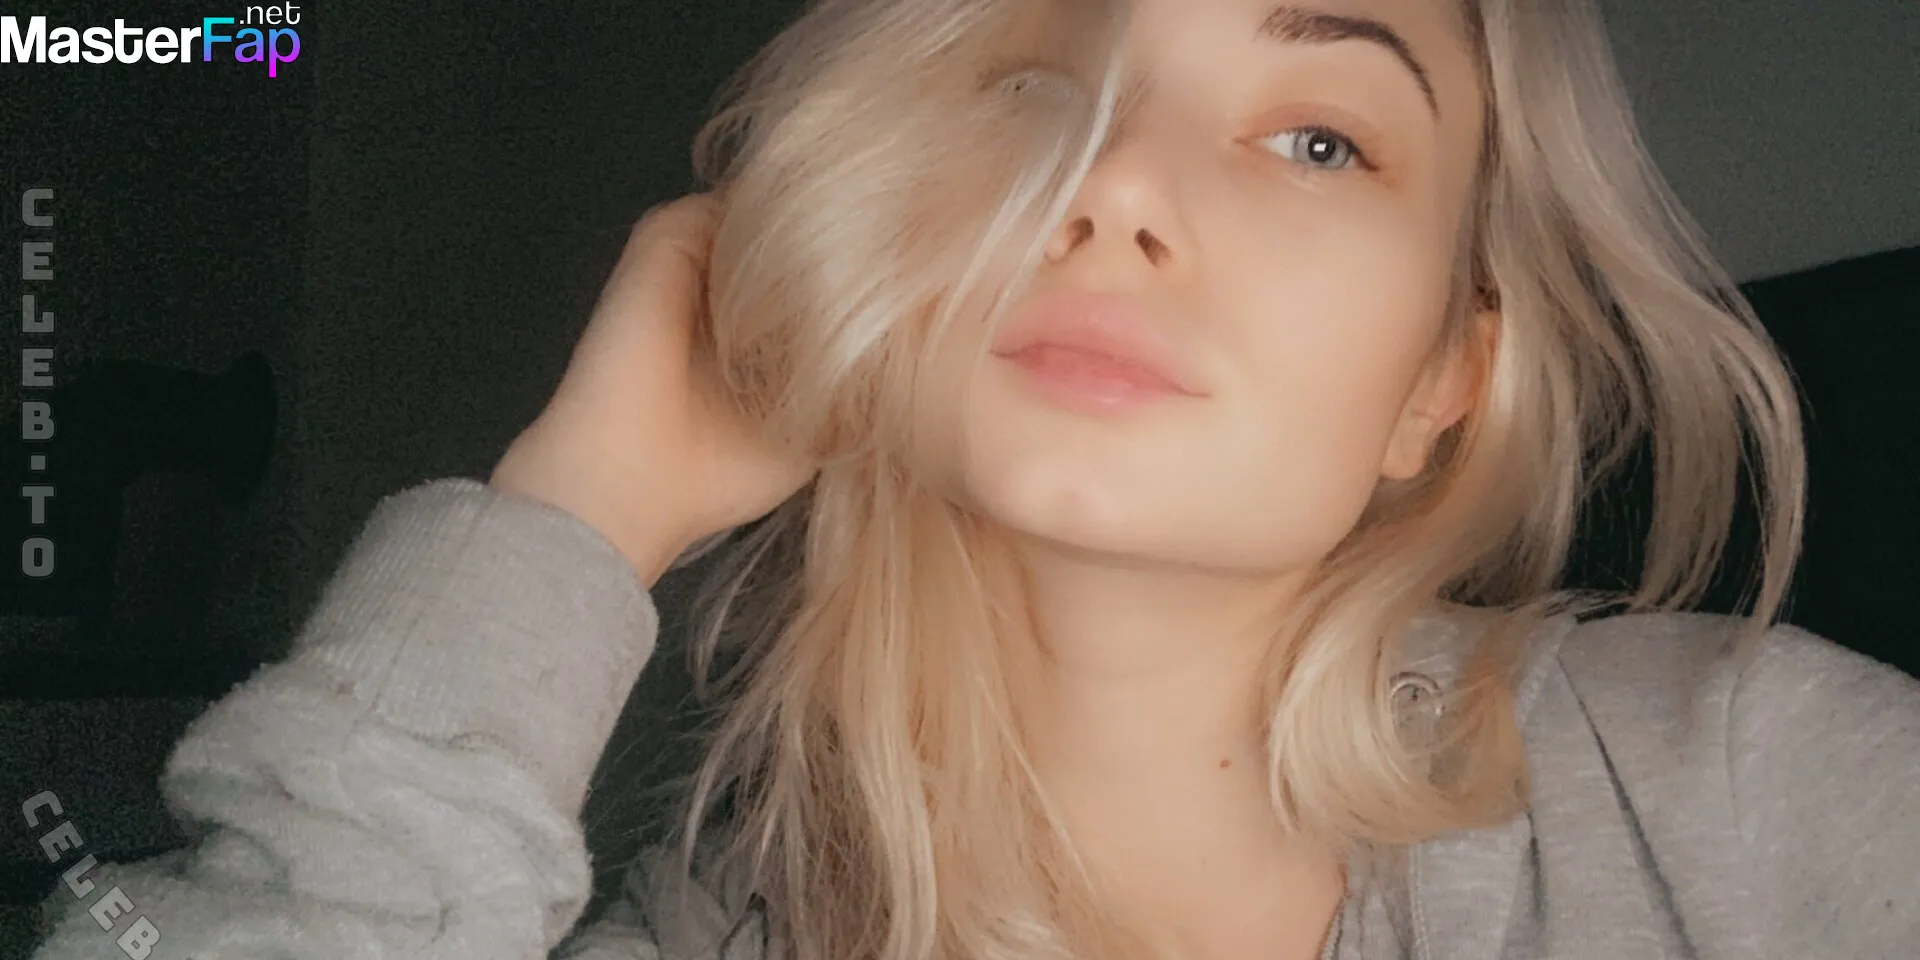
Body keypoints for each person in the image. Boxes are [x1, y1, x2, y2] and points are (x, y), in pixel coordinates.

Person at [28, 0, 1919, 958]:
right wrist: (578, 510)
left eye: (1321, 139)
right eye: (1032, 84)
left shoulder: (1734, 790)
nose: (1115, 182)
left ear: (1445, 374)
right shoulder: (729, 927)